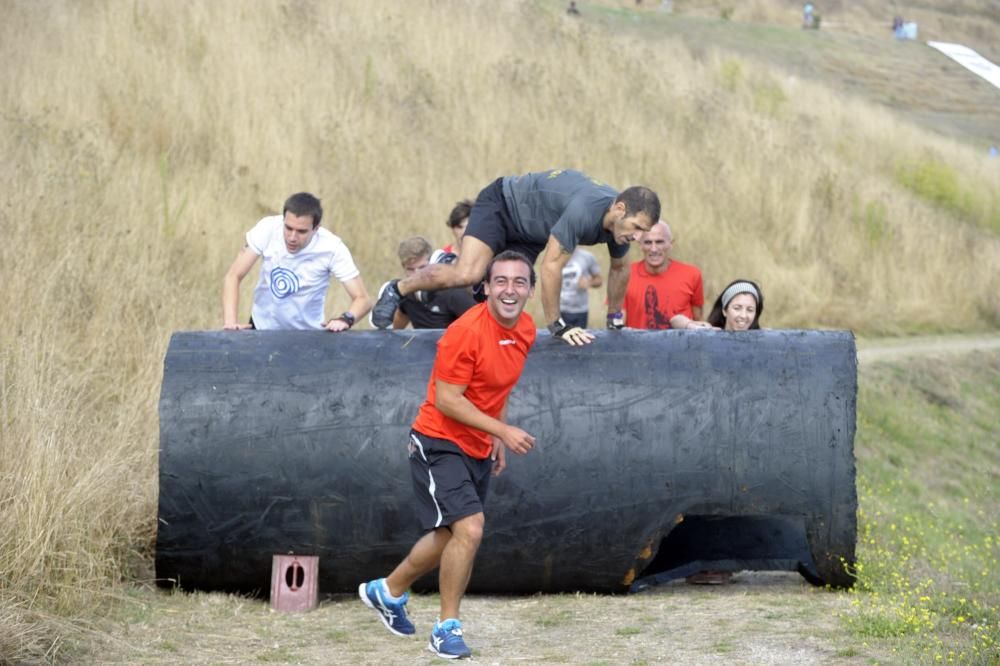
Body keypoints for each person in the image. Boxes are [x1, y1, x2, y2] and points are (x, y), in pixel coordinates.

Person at [358, 251, 538, 660]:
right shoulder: (465, 332)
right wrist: (504, 431)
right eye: (501, 281)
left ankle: (387, 591)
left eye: (519, 282)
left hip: (477, 443)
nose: (510, 290)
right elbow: (448, 401)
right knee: (470, 529)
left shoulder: (525, 328)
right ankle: (446, 628)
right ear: (487, 287)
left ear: (529, 289)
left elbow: (501, 388)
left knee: (450, 534)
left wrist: (493, 437)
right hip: (438, 439)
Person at [370, 169, 661, 346]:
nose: (638, 237)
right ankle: (398, 289)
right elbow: (551, 267)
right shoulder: (585, 211)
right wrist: (558, 325)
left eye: (643, 232)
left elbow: (620, 268)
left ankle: (451, 269)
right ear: (619, 208)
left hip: (530, 233)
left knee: (510, 292)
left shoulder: (620, 230)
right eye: (637, 228)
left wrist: (614, 318)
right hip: (503, 205)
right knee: (468, 274)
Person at [222, 192, 371, 331]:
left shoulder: (332, 249)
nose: (292, 237)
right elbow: (233, 276)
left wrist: (345, 319)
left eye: (301, 231)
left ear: (316, 228)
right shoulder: (267, 229)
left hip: (306, 335)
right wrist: (230, 323)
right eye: (288, 228)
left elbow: (363, 299)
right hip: (261, 327)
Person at [618, 220, 709, 330]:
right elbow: (617, 322)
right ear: (640, 245)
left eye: (659, 242)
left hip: (681, 345)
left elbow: (698, 319)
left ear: (671, 244)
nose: (654, 249)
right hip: (639, 346)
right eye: (648, 242)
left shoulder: (692, 274)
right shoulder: (624, 275)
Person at [390, 236, 476, 329]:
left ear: (432, 263)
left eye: (422, 267)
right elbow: (397, 325)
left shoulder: (451, 292)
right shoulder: (405, 295)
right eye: (410, 269)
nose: (417, 275)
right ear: (404, 268)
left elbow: (479, 324)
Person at [558, 248, 603, 328]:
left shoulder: (587, 256)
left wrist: (589, 282)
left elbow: (599, 280)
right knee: (560, 340)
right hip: (559, 310)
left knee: (580, 339)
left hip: (580, 311)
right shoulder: (554, 257)